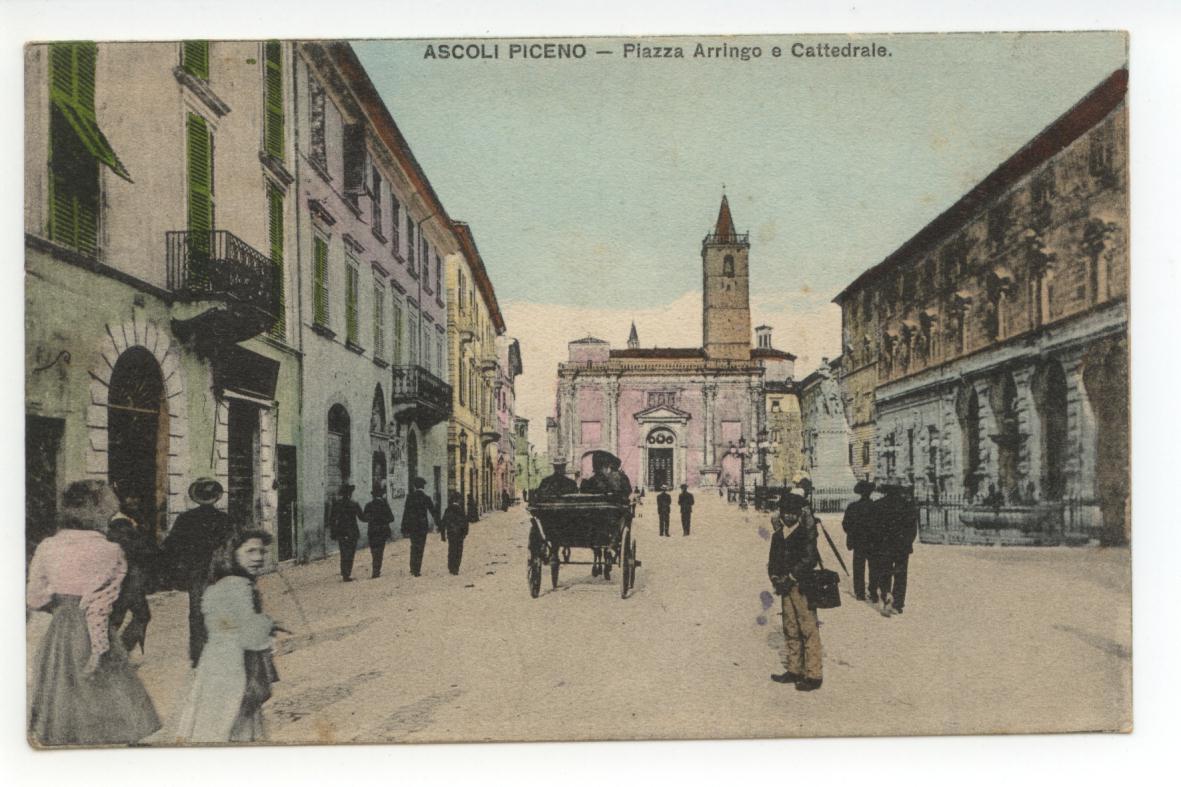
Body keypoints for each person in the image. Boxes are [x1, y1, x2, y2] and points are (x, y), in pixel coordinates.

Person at [27, 480, 161, 746]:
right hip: (93, 629)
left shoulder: (47, 546)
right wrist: (99, 648)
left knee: (63, 686)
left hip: (61, 627)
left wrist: (59, 604)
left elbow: (34, 596)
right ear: (102, 512)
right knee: (105, 686)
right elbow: (100, 607)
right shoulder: (111, 551)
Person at [174, 529, 280, 743]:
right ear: (232, 553)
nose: (258, 558)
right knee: (232, 725)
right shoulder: (240, 586)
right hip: (235, 666)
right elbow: (251, 636)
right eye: (250, 551)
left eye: (261, 551)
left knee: (211, 723)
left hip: (213, 663)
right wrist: (267, 624)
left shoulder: (219, 584)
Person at [162, 478, 236, 667]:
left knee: (197, 613)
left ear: (196, 497)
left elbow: (172, 545)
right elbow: (233, 547)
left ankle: (198, 655)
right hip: (220, 573)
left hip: (196, 572)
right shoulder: (225, 520)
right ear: (216, 497)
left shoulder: (185, 519)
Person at [767, 495, 823, 691]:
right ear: (781, 514)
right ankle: (794, 669)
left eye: (793, 513)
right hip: (785, 587)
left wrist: (791, 577)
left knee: (808, 628)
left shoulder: (805, 534)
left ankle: (814, 674)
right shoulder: (777, 535)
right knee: (790, 627)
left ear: (799, 514)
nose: (789, 516)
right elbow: (772, 561)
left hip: (802, 586)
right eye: (785, 513)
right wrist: (775, 578)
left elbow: (810, 559)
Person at [107, 486, 160, 654]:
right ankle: (116, 653)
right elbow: (132, 549)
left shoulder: (130, 520)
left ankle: (116, 652)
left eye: (137, 498)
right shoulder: (120, 523)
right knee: (125, 616)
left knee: (123, 615)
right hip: (128, 577)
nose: (134, 501)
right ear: (121, 501)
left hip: (131, 576)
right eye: (130, 498)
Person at [873, 482, 919, 616]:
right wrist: (907, 542)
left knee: (884, 572)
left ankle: (885, 598)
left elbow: (874, 528)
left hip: (884, 546)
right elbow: (912, 529)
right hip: (902, 546)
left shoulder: (878, 505)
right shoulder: (907, 505)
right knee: (901, 575)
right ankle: (898, 603)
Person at [841, 480, 877, 603]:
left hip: (858, 542)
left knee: (858, 567)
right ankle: (873, 591)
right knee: (874, 567)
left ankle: (860, 592)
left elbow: (846, 524)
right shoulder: (875, 507)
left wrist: (853, 533)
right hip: (873, 541)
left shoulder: (853, 507)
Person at [327, 483, 366, 582]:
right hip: (352, 532)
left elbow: (332, 519)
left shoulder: (337, 504)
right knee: (350, 553)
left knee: (343, 552)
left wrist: (333, 532)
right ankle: (346, 573)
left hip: (341, 531)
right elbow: (362, 517)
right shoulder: (354, 504)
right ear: (350, 493)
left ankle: (344, 571)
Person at [402, 477, 439, 577]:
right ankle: (417, 569)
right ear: (423, 486)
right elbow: (433, 512)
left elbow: (406, 513)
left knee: (413, 545)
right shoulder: (426, 497)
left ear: (415, 486)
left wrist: (404, 527)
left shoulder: (410, 497)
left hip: (413, 525)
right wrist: (439, 523)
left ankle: (412, 567)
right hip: (422, 526)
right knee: (420, 546)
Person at [363, 482, 395, 579]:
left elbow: (365, 518)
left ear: (373, 495)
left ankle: (375, 568)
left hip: (372, 531)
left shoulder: (368, 505)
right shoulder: (384, 505)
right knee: (380, 551)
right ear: (381, 495)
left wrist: (372, 519)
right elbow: (391, 518)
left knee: (373, 550)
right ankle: (376, 570)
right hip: (382, 531)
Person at [441, 492, 469, 575]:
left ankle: (451, 567)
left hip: (451, 533)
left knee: (451, 550)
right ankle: (456, 568)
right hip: (460, 534)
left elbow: (443, 522)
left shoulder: (448, 509)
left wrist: (443, 535)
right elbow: (465, 523)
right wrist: (465, 533)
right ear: (458, 500)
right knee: (458, 551)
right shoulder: (461, 510)